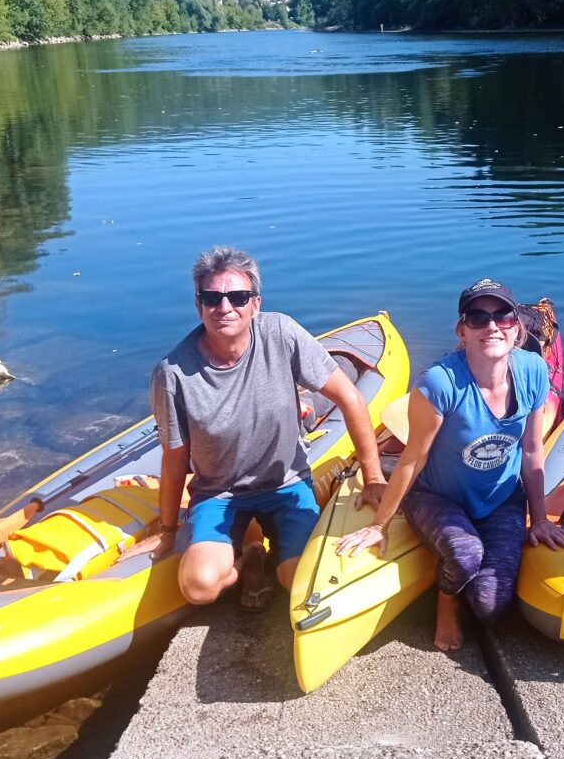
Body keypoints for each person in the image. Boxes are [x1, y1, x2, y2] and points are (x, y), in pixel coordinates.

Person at [123, 246, 386, 611]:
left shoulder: (282, 333)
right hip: (218, 494)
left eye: (238, 297)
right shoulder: (172, 374)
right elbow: (175, 455)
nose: (224, 307)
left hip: (287, 484)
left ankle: (266, 550)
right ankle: (249, 556)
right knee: (199, 587)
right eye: (211, 298)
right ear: (198, 305)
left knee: (300, 582)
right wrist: (167, 531)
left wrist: (373, 480)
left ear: (255, 303)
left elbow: (351, 399)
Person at [334, 279, 564, 650]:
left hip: (502, 499)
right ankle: (446, 602)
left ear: (516, 326)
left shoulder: (534, 372)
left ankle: (461, 576)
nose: (492, 326)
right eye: (478, 317)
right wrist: (379, 525)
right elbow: (412, 459)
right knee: (465, 554)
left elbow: (531, 451)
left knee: (490, 605)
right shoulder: (440, 384)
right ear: (462, 330)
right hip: (436, 497)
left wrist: (539, 519)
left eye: (502, 316)